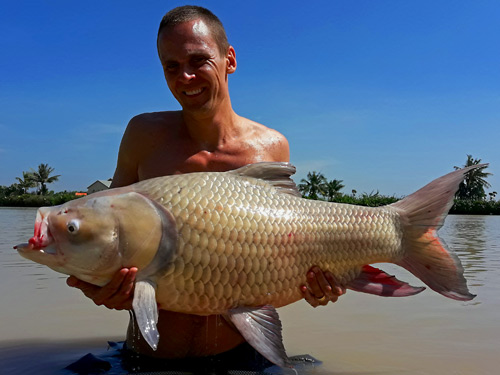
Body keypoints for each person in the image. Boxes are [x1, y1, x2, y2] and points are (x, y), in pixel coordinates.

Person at [66, 5, 345, 371]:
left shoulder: (270, 147)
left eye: (198, 60)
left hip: (241, 357)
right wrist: (104, 287)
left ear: (229, 59)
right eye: (171, 66)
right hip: (147, 358)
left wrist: (322, 281)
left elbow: (288, 252)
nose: (185, 76)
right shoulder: (143, 136)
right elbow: (110, 238)